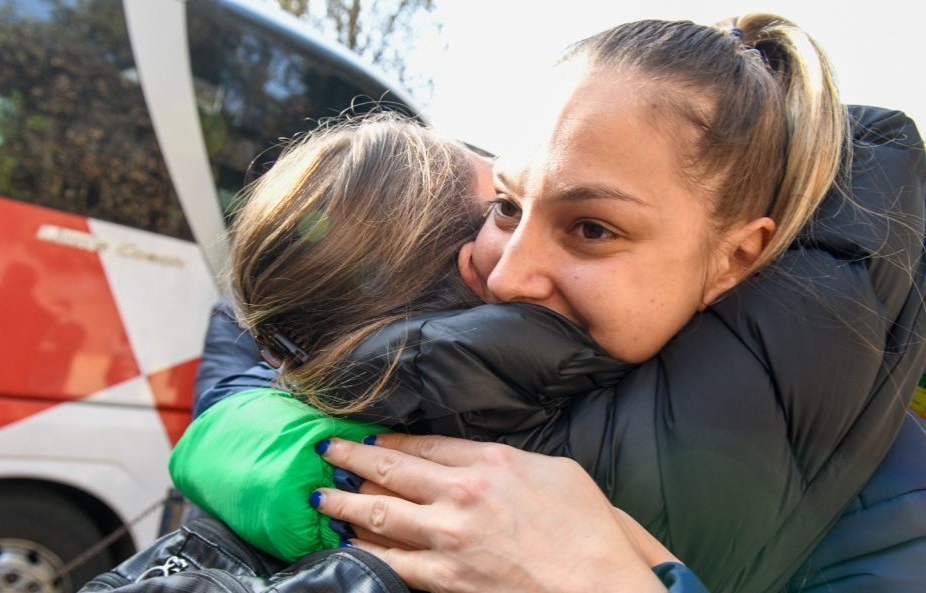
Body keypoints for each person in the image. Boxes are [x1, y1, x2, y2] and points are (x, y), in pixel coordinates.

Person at [174, 14, 926, 593]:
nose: (507, 275)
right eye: (506, 204)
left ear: (735, 257)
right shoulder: (493, 372)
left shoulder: (890, 487)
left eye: (592, 228)